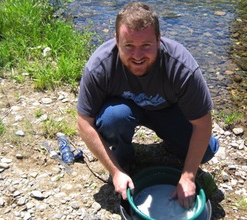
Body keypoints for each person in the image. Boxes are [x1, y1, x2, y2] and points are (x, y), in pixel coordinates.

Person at [77, 2, 219, 209]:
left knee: (206, 151)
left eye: (146, 45)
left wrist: (188, 175)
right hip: (123, 110)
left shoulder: (181, 66)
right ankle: (123, 160)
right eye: (129, 46)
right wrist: (115, 171)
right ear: (116, 41)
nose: (137, 55)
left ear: (158, 40)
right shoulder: (100, 66)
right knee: (113, 119)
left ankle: (172, 144)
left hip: (167, 111)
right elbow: (83, 122)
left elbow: (203, 123)